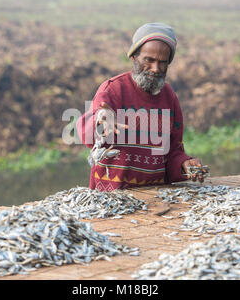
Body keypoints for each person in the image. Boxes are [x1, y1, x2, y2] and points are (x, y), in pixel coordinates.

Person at [76, 23, 206, 191]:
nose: (155, 69)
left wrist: (184, 164)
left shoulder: (169, 97)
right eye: (149, 60)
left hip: (154, 198)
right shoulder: (113, 90)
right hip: (111, 197)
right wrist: (100, 120)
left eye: (163, 62)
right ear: (134, 57)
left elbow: (173, 151)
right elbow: (86, 134)